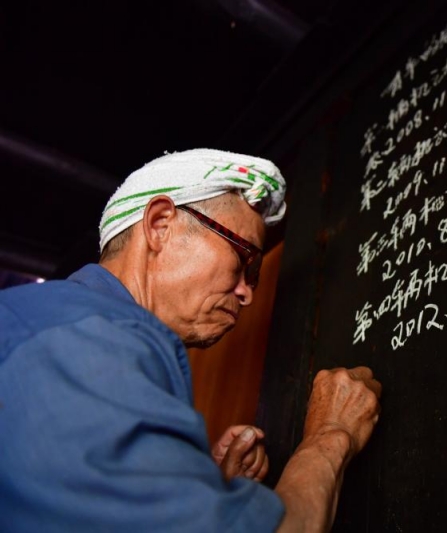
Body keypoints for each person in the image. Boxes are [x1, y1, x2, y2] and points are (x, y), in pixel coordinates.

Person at [0, 148, 382, 532]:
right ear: (161, 224)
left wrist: (195, 489)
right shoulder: (90, 338)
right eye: (245, 258)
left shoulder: (56, 325)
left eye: (255, 276)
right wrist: (333, 435)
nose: (247, 292)